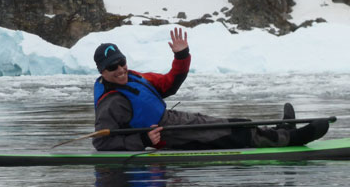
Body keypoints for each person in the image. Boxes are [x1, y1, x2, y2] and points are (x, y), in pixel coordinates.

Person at [92, 27, 328, 151]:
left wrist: (181, 55)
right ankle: (293, 139)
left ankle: (281, 130)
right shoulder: (111, 103)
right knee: (234, 134)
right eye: (112, 67)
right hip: (171, 138)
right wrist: (143, 139)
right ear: (102, 71)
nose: (120, 69)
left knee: (237, 122)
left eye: (121, 62)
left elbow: (170, 83)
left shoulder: (134, 77)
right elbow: (102, 143)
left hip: (176, 120)